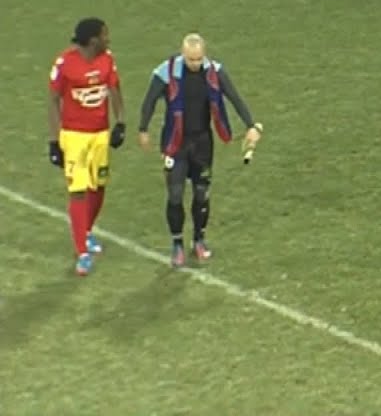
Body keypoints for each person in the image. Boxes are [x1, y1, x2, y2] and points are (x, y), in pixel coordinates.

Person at [138, 33, 261, 266]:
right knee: (175, 194)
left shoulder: (214, 72)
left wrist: (250, 125)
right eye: (191, 59)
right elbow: (149, 100)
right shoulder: (167, 71)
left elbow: (234, 97)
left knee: (202, 193)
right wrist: (143, 129)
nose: (195, 64)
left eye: (198, 59)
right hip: (175, 144)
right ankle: (176, 244)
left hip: (203, 144)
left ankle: (199, 239)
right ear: (183, 54)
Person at [47, 18, 126, 276]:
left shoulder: (107, 60)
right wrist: (54, 140)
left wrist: (121, 122)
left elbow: (114, 89)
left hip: (100, 135)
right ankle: (82, 252)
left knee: (99, 185)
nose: (108, 39)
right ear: (93, 40)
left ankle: (87, 231)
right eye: (105, 35)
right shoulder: (65, 63)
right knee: (78, 190)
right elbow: (54, 100)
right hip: (75, 136)